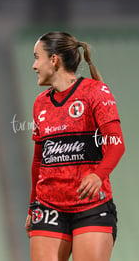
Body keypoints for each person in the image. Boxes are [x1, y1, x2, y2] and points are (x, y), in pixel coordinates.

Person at [24, 31, 125, 261]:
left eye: (37, 57)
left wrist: (98, 175)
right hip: (48, 207)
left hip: (91, 207)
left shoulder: (96, 92)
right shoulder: (40, 103)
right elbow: (39, 160)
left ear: (54, 60)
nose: (33, 65)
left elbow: (116, 144)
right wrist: (32, 206)